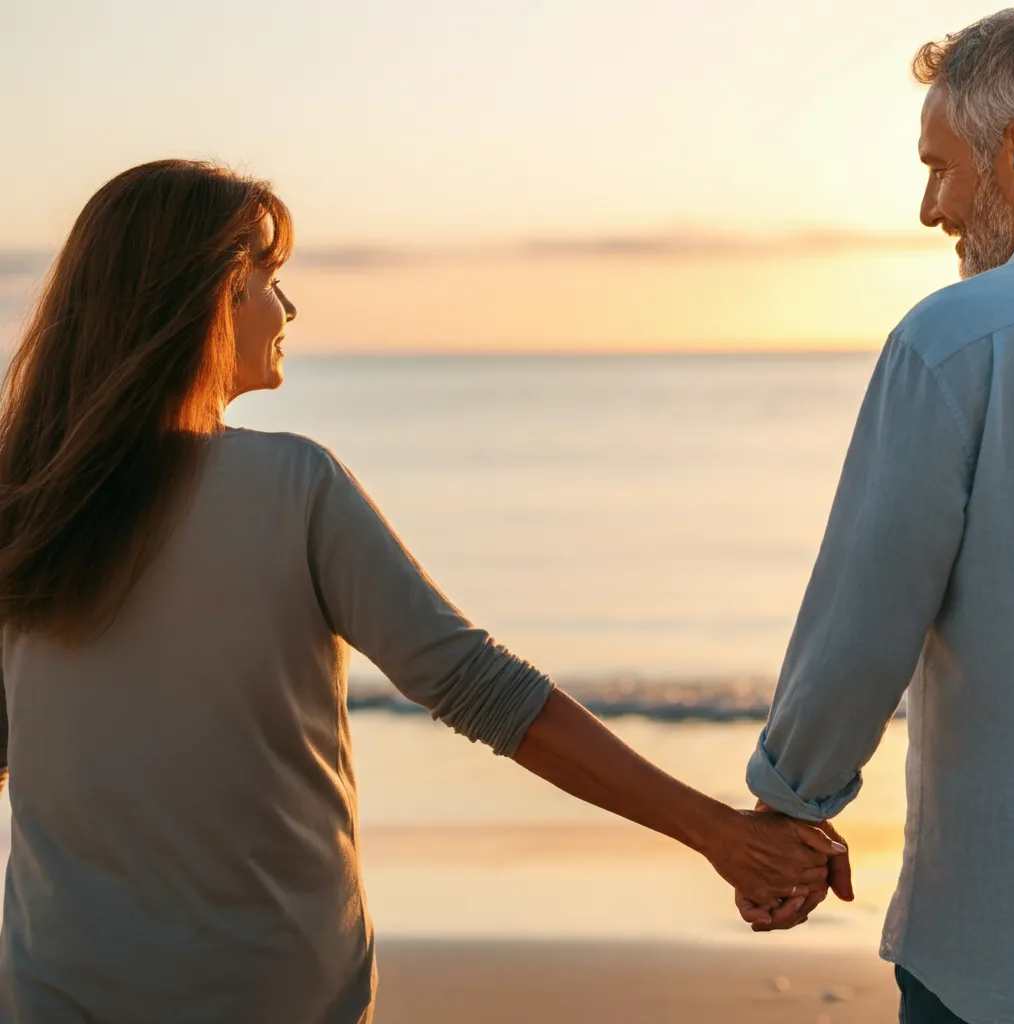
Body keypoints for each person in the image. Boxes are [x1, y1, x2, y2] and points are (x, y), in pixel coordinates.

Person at [0, 159, 843, 1023]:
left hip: (55, 992)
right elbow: (484, 690)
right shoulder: (291, 487)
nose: (287, 311)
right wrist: (721, 834)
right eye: (270, 279)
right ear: (212, 296)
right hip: (269, 995)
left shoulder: (23, 503)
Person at [739, 8, 1014, 1024]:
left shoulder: (960, 342)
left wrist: (789, 805)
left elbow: (865, 619)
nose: (927, 206)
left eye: (941, 166)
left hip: (998, 951)